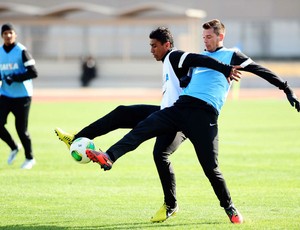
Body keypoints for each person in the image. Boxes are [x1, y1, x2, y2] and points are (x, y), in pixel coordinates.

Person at [85, 19, 300, 224]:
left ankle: (229, 206)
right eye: (203, 36)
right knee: (144, 128)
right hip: (181, 107)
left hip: (205, 116)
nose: (204, 40)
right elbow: (188, 78)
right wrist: (186, 79)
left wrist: (286, 89)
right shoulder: (199, 58)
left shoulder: (231, 55)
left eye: (208, 36)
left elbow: (261, 70)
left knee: (210, 168)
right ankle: (110, 156)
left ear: (220, 36)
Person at [55, 27, 240, 221]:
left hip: (182, 118)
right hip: (166, 113)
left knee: (176, 159)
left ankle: (217, 206)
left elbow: (199, 60)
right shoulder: (169, 62)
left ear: (166, 45)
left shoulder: (176, 56)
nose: (151, 50)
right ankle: (77, 139)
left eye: (154, 46)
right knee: (123, 114)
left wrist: (224, 68)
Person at [0, 23, 38, 169]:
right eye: (5, 33)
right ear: (2, 36)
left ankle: (29, 158)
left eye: (10, 33)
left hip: (23, 96)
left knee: (20, 129)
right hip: (5, 95)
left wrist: (14, 77)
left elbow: (33, 72)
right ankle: (14, 146)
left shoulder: (22, 51)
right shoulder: (0, 52)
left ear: (15, 34)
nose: (8, 35)